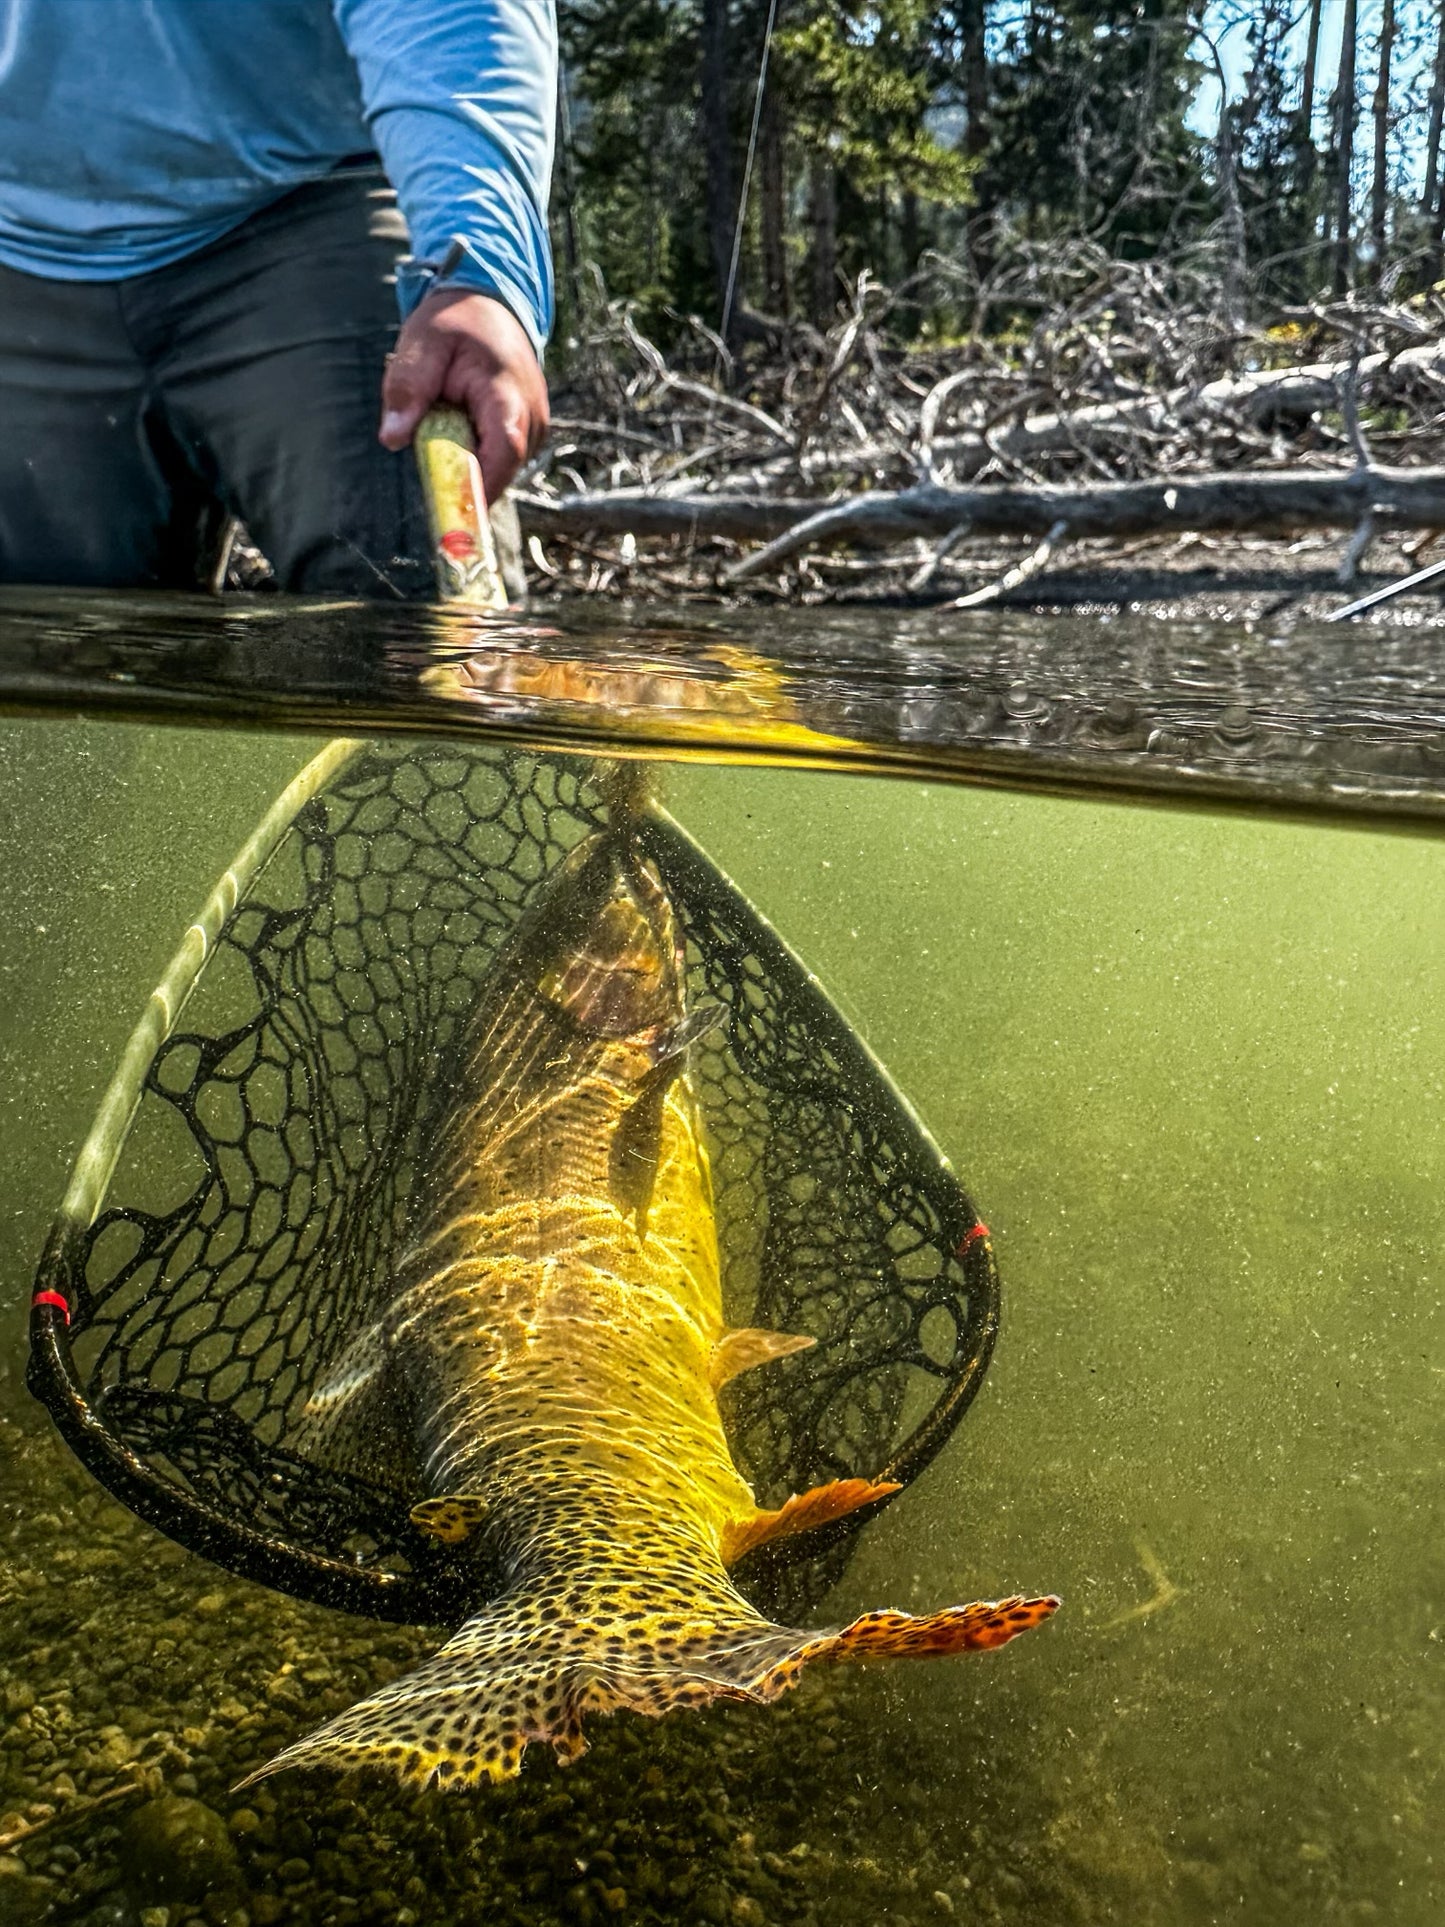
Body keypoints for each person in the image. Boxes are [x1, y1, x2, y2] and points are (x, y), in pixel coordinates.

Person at [0, 0, 554, 597]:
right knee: (41, 650)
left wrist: (476, 269)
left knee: (416, 624)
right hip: (17, 246)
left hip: (310, 206)